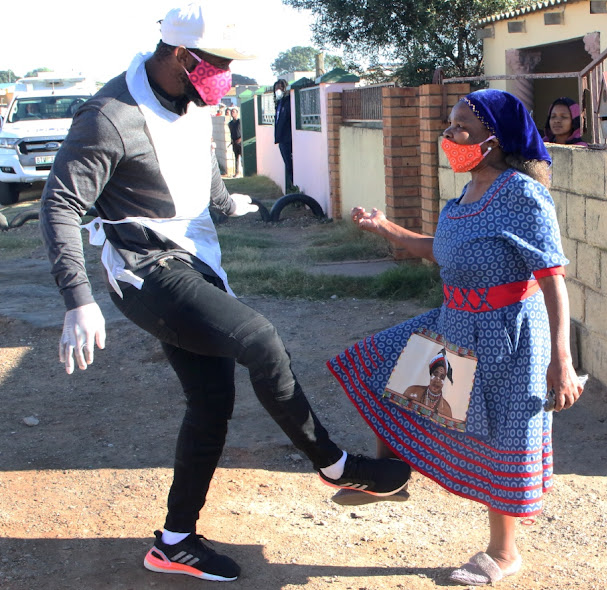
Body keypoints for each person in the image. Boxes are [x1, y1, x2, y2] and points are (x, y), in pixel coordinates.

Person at [39, 2, 410, 583]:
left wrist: (234, 205)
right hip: (145, 269)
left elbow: (209, 194)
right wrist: (77, 299)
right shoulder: (109, 115)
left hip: (192, 262)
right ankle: (333, 464)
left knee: (212, 400)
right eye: (218, 64)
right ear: (182, 56)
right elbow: (60, 202)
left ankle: (174, 540)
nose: (227, 78)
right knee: (259, 339)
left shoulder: (193, 102)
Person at [327, 89, 584, 585]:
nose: (450, 134)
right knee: (390, 377)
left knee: (504, 439)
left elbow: (553, 277)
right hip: (458, 324)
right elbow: (443, 250)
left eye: (462, 126)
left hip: (510, 339)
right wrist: (384, 227)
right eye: (449, 123)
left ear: (494, 138)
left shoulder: (521, 194)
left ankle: (504, 553)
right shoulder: (463, 195)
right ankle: (389, 478)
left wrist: (562, 359)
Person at [403, 351, 453, 418]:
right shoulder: (411, 392)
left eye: (442, 377)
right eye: (435, 374)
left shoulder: (446, 410)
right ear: (430, 374)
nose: (437, 379)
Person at [273, 79, 293, 193]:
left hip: (288, 139)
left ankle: (293, 187)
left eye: (280, 88)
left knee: (291, 166)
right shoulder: (279, 104)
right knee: (287, 164)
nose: (278, 90)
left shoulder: (288, 101)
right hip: (281, 140)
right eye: (276, 88)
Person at [228, 106, 242, 177]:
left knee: (243, 157)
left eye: (233, 112)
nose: (232, 113)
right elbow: (231, 133)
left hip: (240, 142)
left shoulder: (240, 122)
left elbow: (243, 131)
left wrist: (241, 139)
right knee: (236, 158)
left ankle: (244, 172)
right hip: (234, 142)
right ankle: (237, 173)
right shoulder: (230, 123)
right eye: (231, 112)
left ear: (237, 113)